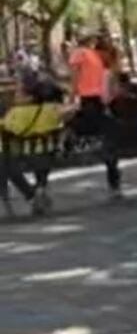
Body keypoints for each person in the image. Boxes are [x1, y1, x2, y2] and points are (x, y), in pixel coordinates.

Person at [68, 31, 122, 197]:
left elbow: (75, 76)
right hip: (100, 100)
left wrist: (71, 95)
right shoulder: (98, 59)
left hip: (88, 98)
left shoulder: (80, 53)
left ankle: (74, 150)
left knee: (73, 125)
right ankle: (114, 182)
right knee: (106, 136)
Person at [1, 76, 64, 215]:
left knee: (6, 164)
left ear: (29, 96)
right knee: (41, 158)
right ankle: (40, 187)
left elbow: (7, 129)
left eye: (18, 93)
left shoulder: (16, 113)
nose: (15, 95)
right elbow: (64, 118)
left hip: (22, 154)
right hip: (47, 153)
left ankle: (31, 195)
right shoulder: (51, 109)